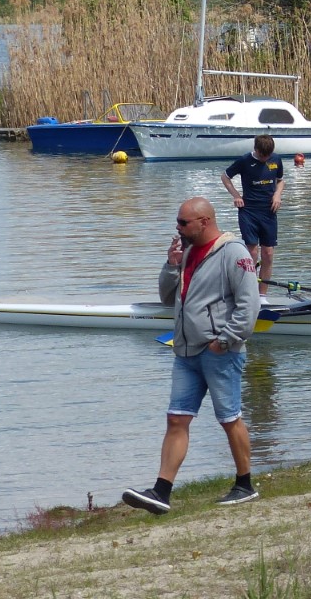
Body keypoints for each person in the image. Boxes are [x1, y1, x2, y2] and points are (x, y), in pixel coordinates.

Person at [123, 196, 262, 514]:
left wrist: (224, 341)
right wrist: (171, 266)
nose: (178, 227)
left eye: (183, 222)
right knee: (176, 418)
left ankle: (245, 485)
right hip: (185, 353)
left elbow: (249, 306)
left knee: (229, 418)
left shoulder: (234, 253)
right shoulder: (185, 253)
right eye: (178, 221)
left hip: (220, 352)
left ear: (204, 221)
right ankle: (161, 492)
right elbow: (167, 298)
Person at [221, 134, 283, 296]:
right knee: (252, 253)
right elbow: (225, 177)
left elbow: (280, 180)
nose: (265, 159)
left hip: (269, 212)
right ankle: (249, 294)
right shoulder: (244, 160)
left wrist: (277, 195)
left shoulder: (276, 159)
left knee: (268, 254)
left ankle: (262, 295)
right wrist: (236, 196)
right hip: (249, 211)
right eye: (262, 156)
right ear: (255, 149)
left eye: (268, 156)